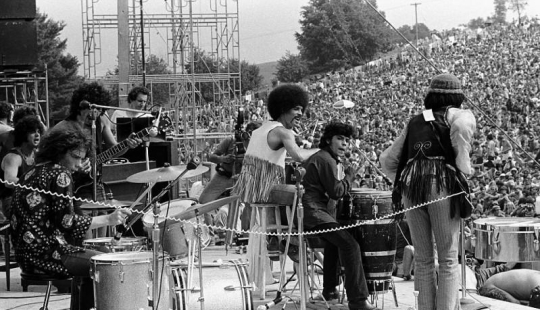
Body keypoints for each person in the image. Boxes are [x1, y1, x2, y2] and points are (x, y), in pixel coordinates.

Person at [380, 73, 476, 310]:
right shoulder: (458, 114)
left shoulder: (415, 120)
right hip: (441, 182)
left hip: (411, 185)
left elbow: (387, 159)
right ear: (456, 95)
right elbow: (463, 129)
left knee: (422, 259)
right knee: (447, 258)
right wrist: (463, 168)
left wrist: (407, 179)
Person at [10, 128, 132, 310]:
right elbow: (67, 223)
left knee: (94, 259)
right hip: (46, 254)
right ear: (60, 151)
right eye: (76, 157)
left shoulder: (34, 171)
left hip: (25, 254)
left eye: (82, 158)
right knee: (108, 263)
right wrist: (108, 219)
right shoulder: (61, 174)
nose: (80, 163)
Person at [232, 84, 319, 294]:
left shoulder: (260, 130)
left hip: (253, 191)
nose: (300, 113)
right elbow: (298, 156)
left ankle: (280, 238)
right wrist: (321, 149)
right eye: (297, 109)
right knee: (307, 194)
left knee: (294, 193)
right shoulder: (282, 131)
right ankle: (297, 242)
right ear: (284, 107)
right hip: (267, 190)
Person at [302, 122, 380, 310]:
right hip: (316, 214)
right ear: (328, 140)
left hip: (320, 214)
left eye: (347, 140)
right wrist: (350, 176)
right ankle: (358, 301)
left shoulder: (327, 159)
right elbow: (336, 191)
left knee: (334, 243)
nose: (344, 143)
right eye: (340, 139)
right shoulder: (325, 159)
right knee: (350, 245)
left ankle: (329, 290)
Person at [49, 82, 142, 203]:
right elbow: (49, 161)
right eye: (91, 109)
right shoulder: (63, 127)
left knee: (102, 216)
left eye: (99, 109)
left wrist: (127, 145)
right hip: (69, 184)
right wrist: (75, 166)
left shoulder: (102, 121)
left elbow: (113, 150)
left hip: (94, 183)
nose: (95, 113)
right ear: (80, 107)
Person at [199, 121, 262, 243]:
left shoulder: (259, 145)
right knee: (203, 203)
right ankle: (210, 236)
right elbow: (212, 157)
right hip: (224, 175)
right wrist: (224, 159)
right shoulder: (230, 140)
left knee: (250, 205)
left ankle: (245, 235)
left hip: (244, 178)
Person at [0, 116, 45, 219]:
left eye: (39, 131)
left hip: (33, 197)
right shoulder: (13, 157)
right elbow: (9, 182)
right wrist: (37, 184)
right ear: (23, 134)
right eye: (33, 132)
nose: (37, 135)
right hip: (12, 200)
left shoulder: (37, 155)